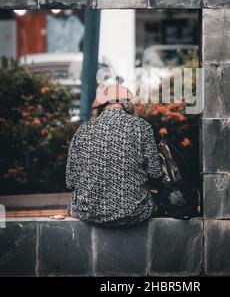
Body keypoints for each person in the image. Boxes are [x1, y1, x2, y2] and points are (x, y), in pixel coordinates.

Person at [66, 83, 163, 226]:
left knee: (70, 208)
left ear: (99, 107)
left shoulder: (83, 130)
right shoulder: (142, 127)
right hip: (135, 212)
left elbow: (71, 180)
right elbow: (155, 173)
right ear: (127, 104)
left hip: (88, 213)